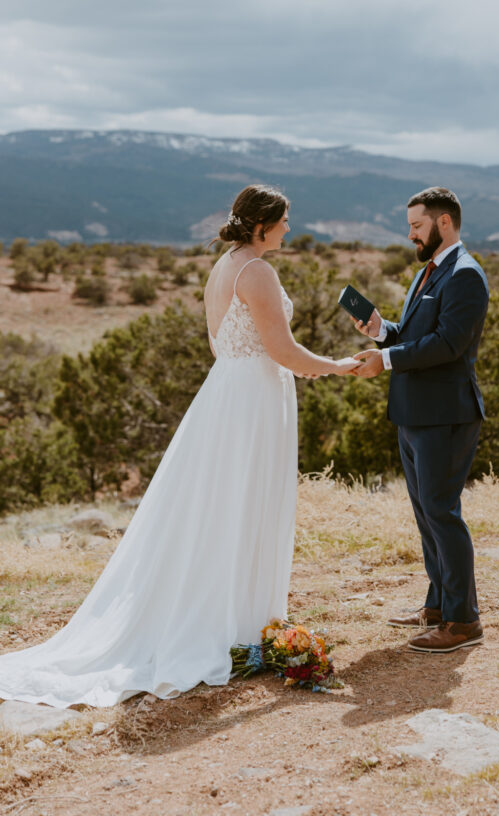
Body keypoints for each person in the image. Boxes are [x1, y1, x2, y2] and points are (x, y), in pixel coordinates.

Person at [0, 184, 358, 708]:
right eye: (283, 221)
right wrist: (338, 366)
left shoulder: (223, 267)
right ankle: (235, 625)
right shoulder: (256, 271)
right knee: (244, 502)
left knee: (223, 506)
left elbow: (221, 343)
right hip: (252, 400)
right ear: (262, 224)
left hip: (232, 391)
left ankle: (240, 620)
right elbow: (281, 348)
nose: (288, 228)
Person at [353, 187, 489, 653]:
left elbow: (448, 344)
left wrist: (385, 359)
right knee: (425, 514)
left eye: (416, 225)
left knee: (442, 514)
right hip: (414, 413)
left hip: (446, 415)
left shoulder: (466, 275)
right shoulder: (429, 272)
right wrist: (381, 330)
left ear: (444, 223)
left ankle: (464, 622)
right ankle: (438, 605)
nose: (410, 233)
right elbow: (415, 334)